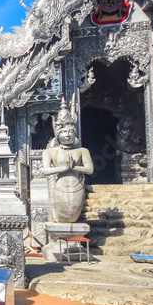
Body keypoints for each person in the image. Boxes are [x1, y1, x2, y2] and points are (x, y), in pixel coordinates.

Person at [42, 95, 93, 223]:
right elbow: (46, 170)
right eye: (64, 132)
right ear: (57, 134)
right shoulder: (50, 152)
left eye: (71, 131)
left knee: (73, 217)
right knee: (62, 219)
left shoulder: (82, 151)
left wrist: (74, 167)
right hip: (60, 187)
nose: (67, 134)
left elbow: (90, 169)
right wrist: (64, 168)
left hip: (76, 188)